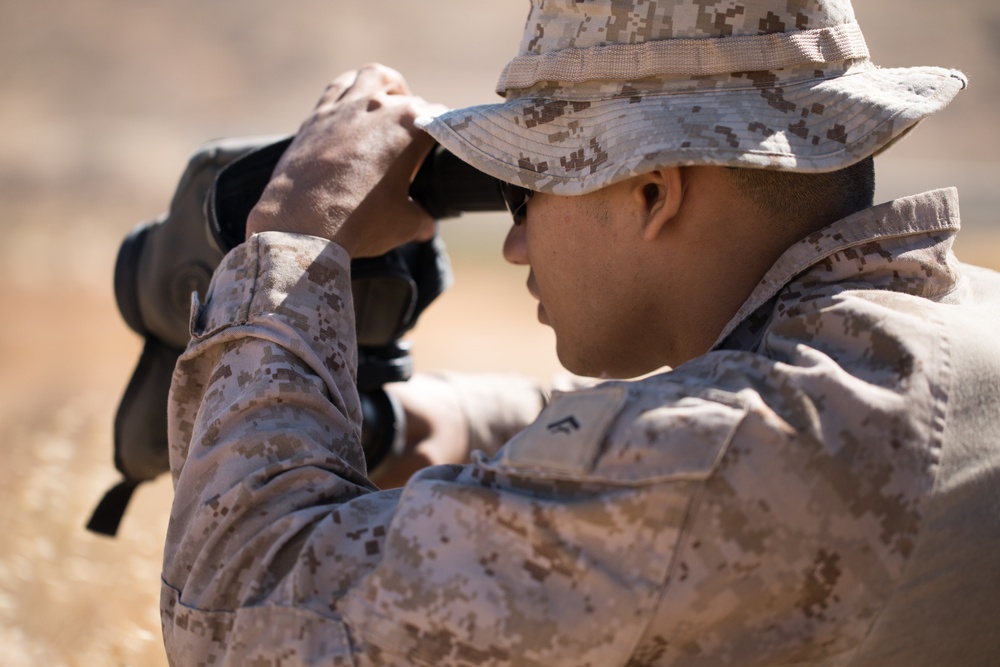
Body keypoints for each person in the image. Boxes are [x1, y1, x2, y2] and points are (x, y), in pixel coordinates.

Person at [161, 1, 1000, 664]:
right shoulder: (941, 329)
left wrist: (293, 237)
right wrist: (420, 421)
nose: (516, 240)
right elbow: (673, 434)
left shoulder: (720, 458)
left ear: (650, 191)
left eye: (525, 189)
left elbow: (239, 617)